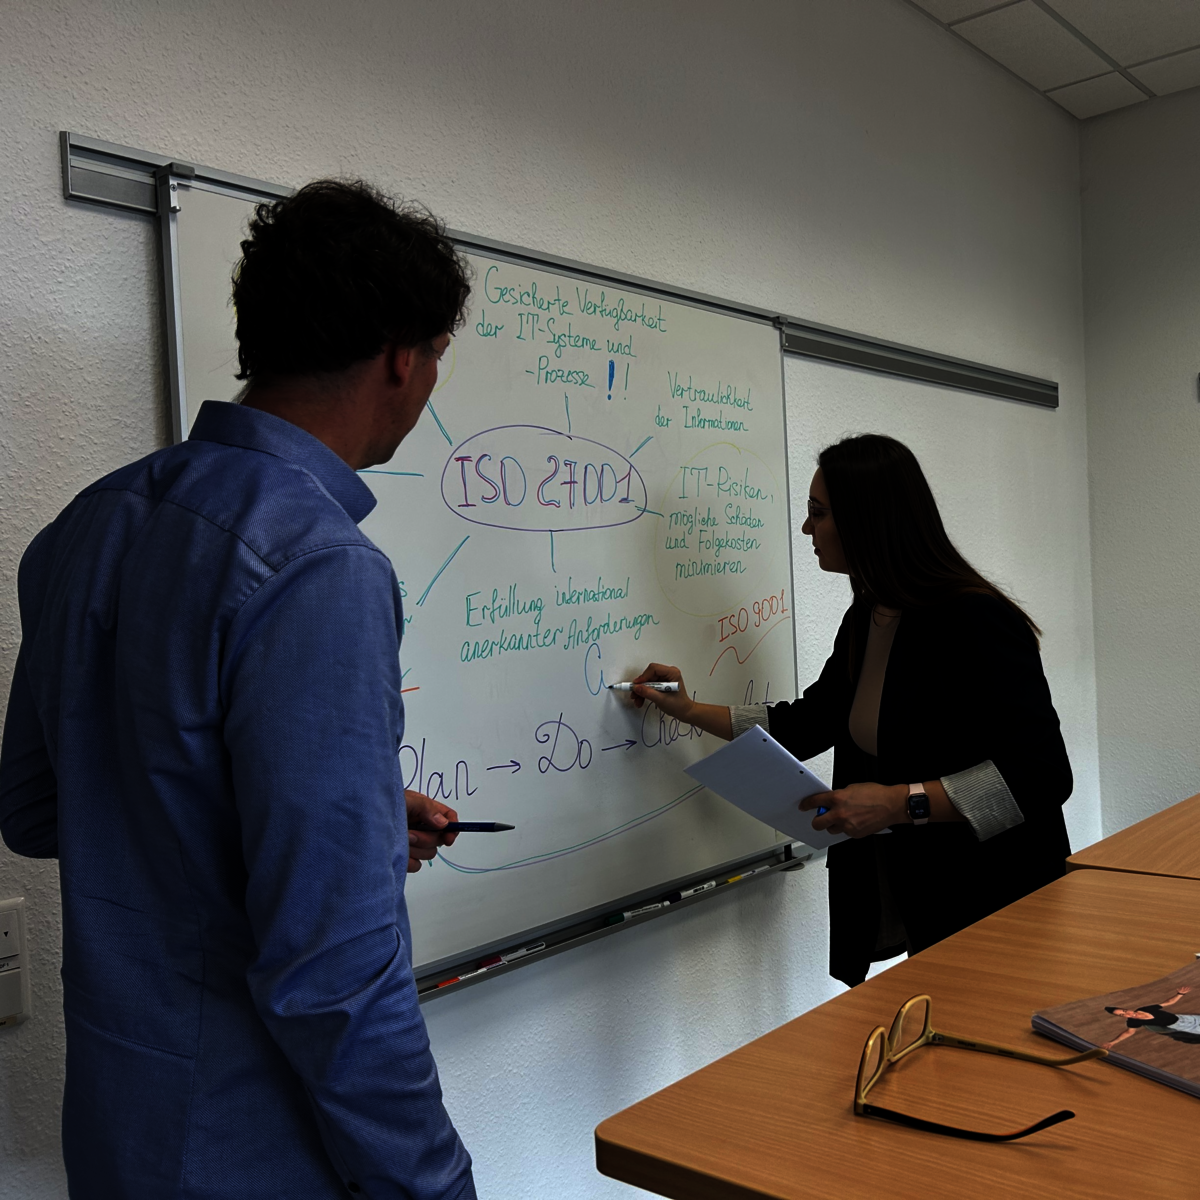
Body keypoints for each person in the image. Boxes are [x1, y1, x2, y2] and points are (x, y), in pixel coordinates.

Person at [0, 181, 477, 1198]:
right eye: (439, 359)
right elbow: (335, 969)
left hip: (120, 1135)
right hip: (262, 1146)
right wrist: (433, 1185)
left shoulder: (83, 526)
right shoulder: (320, 563)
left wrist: (334, 823)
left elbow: (41, 808)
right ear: (405, 357)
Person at [634, 433, 1073, 987]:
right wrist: (689, 708)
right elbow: (806, 722)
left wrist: (898, 804)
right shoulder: (869, 617)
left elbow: (1041, 777)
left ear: (869, 520)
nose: (805, 529)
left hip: (999, 900)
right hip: (920, 897)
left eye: (818, 514)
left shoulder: (976, 622)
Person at [1103, 986, 1200, 1049]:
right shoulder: (1133, 1022)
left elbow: (1167, 1002)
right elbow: (1128, 1032)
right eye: (1121, 1015)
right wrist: (1113, 1042)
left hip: (1186, 1018)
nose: (1126, 1014)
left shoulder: (1145, 1009)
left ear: (1127, 1009)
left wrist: (1180, 994)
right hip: (1181, 1026)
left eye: (1124, 1011)